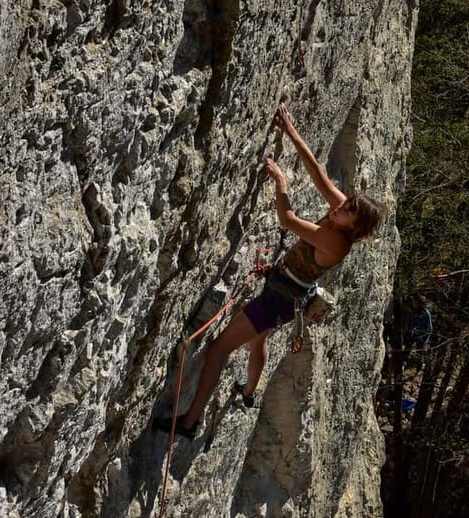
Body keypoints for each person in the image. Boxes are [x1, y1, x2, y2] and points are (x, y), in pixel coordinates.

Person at [154, 104, 387, 437]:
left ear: (355, 225)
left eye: (348, 209)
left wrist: (281, 183)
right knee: (258, 339)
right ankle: (249, 391)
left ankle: (189, 422)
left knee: (219, 349)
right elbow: (318, 172)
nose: (340, 205)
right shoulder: (339, 217)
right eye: (346, 202)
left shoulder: (336, 242)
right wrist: (290, 131)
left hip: (278, 300)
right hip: (284, 292)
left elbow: (287, 220)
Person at [403, 294, 432, 370]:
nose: (413, 303)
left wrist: (425, 339)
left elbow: (429, 328)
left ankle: (419, 366)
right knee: (406, 350)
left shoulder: (426, 313)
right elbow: (408, 323)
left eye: (415, 302)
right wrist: (408, 333)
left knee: (420, 352)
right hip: (411, 334)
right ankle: (403, 364)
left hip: (421, 336)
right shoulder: (411, 312)